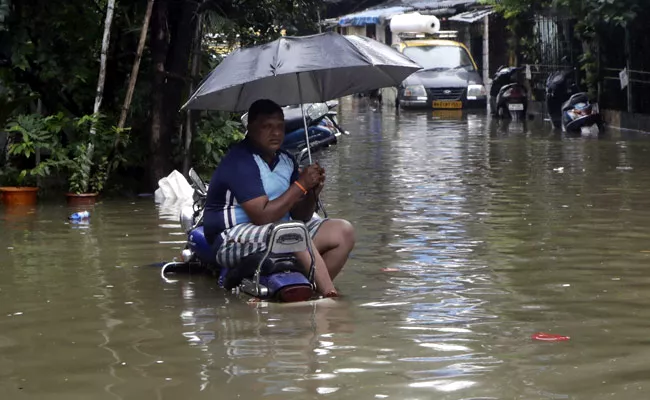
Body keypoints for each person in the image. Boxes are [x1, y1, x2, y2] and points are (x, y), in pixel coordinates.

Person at [203, 99, 355, 297]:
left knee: (343, 231)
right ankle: (329, 294)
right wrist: (300, 185)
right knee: (292, 232)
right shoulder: (240, 161)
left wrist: (311, 192)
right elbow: (262, 216)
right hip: (230, 238)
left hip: (280, 231)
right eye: (267, 127)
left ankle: (308, 292)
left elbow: (300, 214)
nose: (275, 133)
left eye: (280, 127)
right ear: (250, 128)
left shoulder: (286, 159)